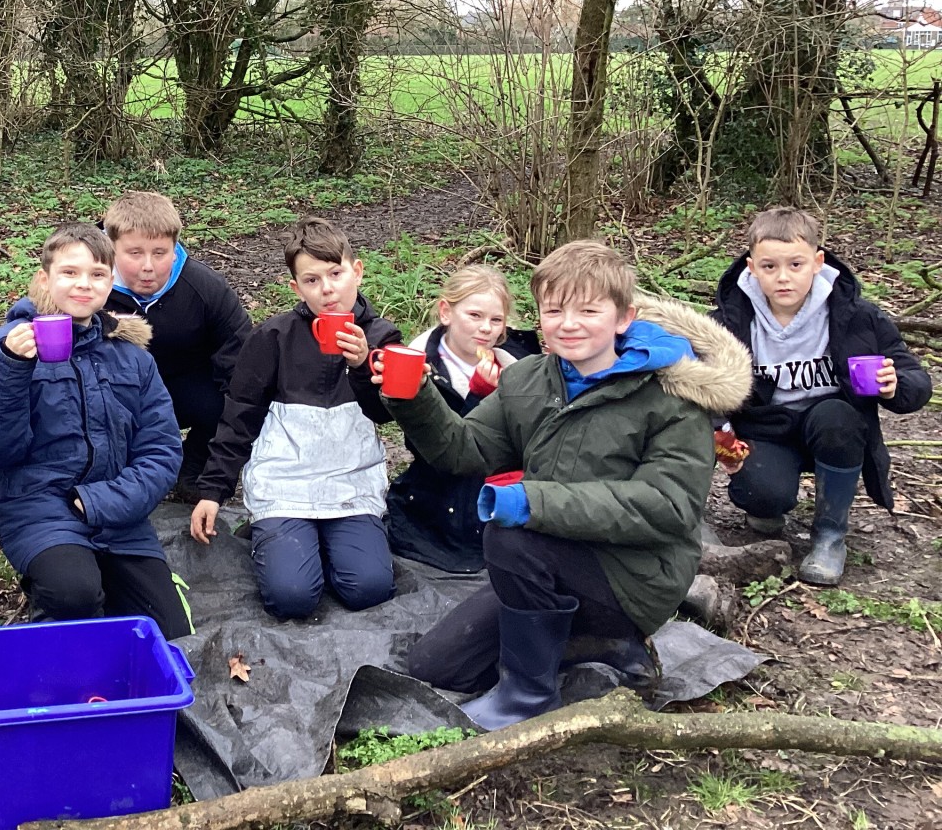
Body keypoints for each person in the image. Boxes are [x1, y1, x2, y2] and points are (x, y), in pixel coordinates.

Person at [384, 241, 750, 730]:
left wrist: (533, 501)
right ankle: (604, 648)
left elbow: (668, 506)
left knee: (510, 532)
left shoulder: (670, 396)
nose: (568, 323)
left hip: (634, 574)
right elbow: (464, 451)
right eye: (554, 309)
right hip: (555, 558)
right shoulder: (531, 379)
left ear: (624, 317)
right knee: (436, 666)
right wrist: (413, 396)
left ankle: (526, 695)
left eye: (588, 310)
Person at [0, 223, 191, 638]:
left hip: (119, 513)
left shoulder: (132, 358)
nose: (83, 285)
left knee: (169, 635)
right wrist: (13, 370)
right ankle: (54, 595)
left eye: (97, 274)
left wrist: (101, 501)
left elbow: (161, 450)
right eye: (70, 273)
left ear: (111, 283)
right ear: (44, 278)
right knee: (75, 594)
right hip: (36, 508)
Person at [190, 216, 401, 619]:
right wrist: (212, 491)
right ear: (296, 287)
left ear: (356, 272)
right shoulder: (272, 338)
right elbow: (240, 417)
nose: (327, 289)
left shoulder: (381, 337)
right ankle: (279, 537)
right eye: (311, 280)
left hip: (348, 484)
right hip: (286, 483)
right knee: (292, 598)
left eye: (335, 274)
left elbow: (384, 415)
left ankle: (332, 543)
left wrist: (361, 366)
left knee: (369, 589)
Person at [710, 207, 933, 585]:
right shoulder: (728, 322)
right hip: (765, 431)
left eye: (795, 265)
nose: (783, 277)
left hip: (830, 429)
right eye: (769, 267)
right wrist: (721, 434)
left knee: (837, 415)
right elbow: (700, 388)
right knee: (763, 496)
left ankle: (830, 535)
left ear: (817, 262)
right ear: (751, 267)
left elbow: (915, 379)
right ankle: (767, 504)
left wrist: (896, 387)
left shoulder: (857, 316)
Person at [386, 265, 541, 573]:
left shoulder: (518, 367)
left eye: (496, 320)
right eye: (475, 316)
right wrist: (479, 395)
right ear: (446, 312)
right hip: (435, 492)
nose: (486, 328)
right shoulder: (422, 367)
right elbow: (440, 446)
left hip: (495, 494)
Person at [102, 191, 252, 502]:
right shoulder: (89, 287)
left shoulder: (205, 288)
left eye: (159, 253)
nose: (148, 267)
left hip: (186, 386)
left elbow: (242, 364)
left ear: (175, 248)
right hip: (114, 391)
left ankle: (193, 467)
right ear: (111, 247)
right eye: (134, 253)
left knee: (232, 398)